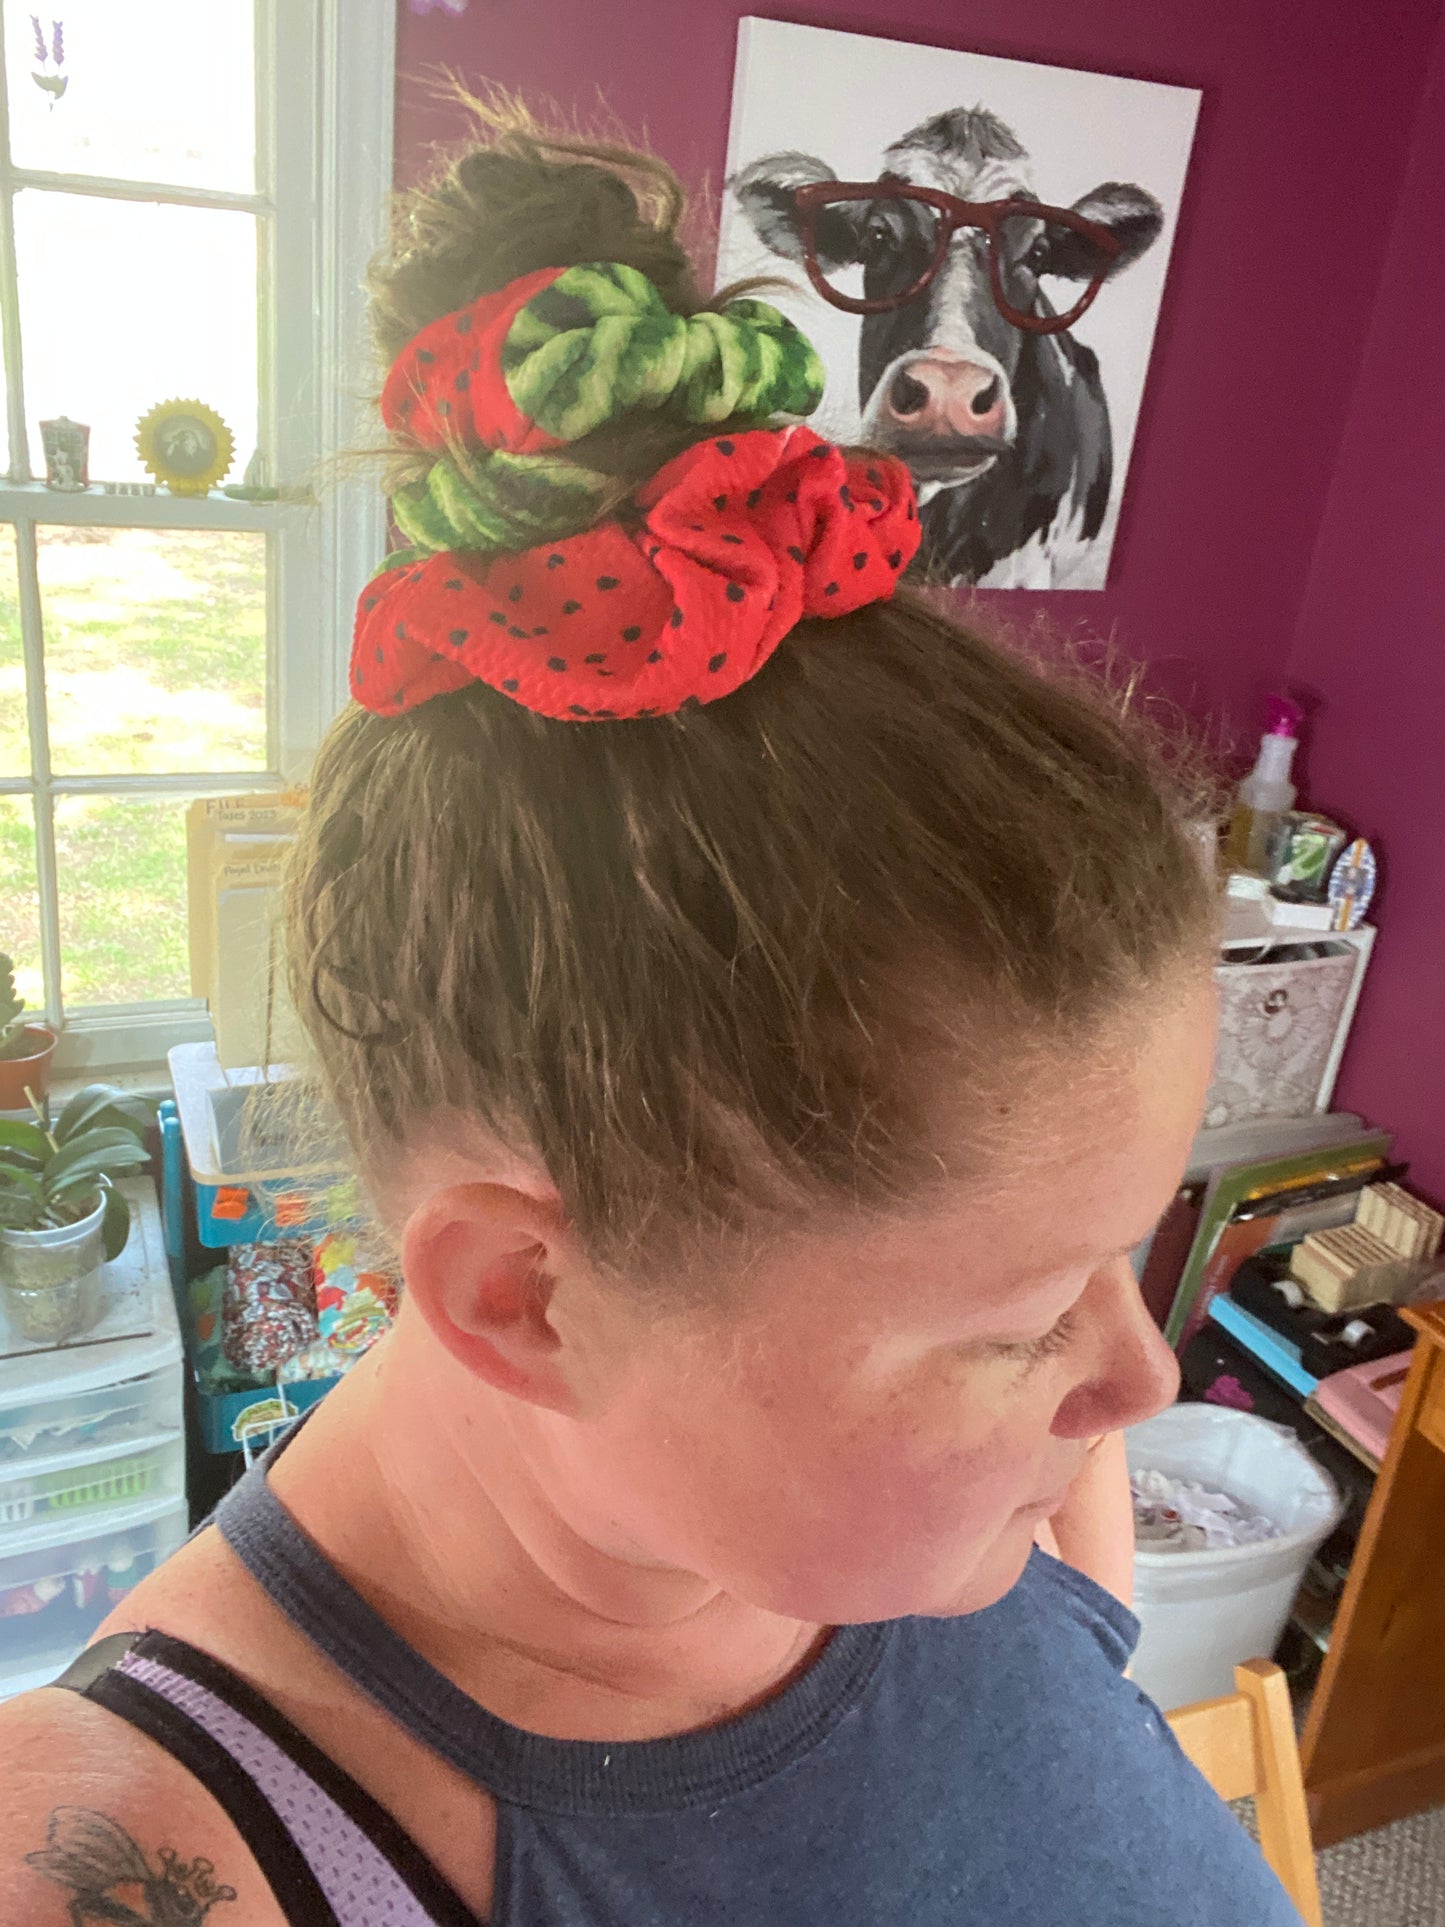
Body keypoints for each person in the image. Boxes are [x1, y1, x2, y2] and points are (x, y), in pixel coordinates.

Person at [0, 110, 1304, 1926]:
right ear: (527, 1297)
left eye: (1117, 1249)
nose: (1137, 1382)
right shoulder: (164, 1852)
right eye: (1016, 1323)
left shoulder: (1014, 1496)